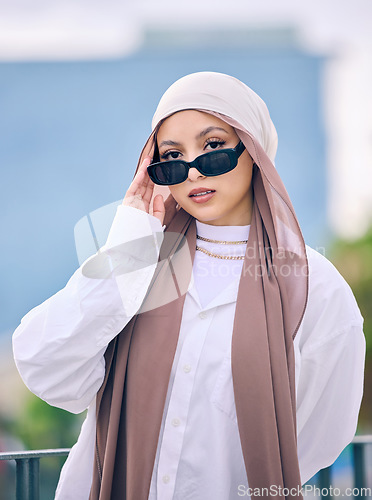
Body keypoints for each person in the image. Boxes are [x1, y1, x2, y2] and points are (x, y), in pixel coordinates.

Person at [13, 72, 365, 500]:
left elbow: (319, 432)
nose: (194, 170)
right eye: (172, 156)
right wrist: (132, 241)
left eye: (213, 147)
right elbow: (47, 366)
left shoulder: (314, 285)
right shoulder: (137, 261)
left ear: (253, 151)